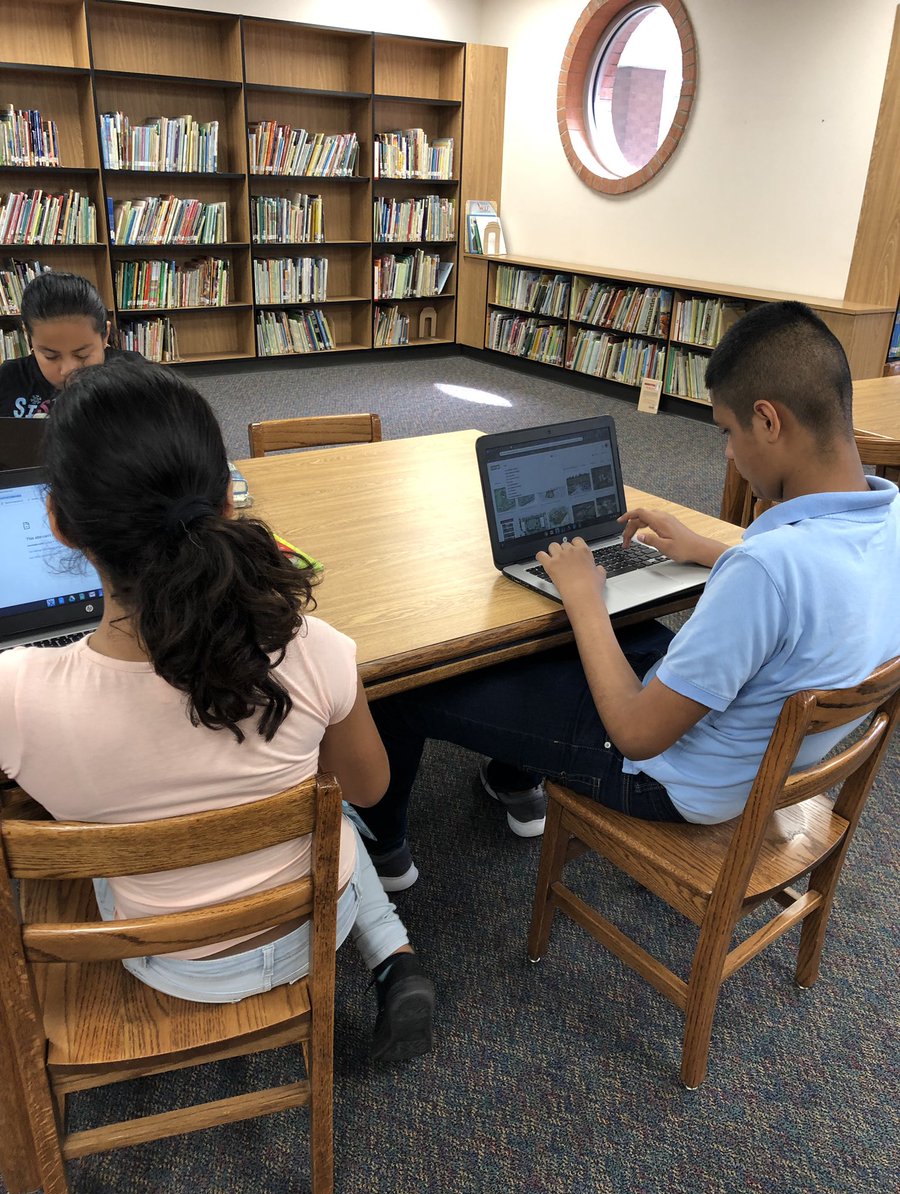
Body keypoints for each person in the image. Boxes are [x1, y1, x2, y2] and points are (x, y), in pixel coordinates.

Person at [361, 301, 900, 891]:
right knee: (598, 636)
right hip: (759, 755)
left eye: (728, 429)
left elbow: (637, 734)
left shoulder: (766, 570)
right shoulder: (887, 520)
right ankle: (515, 780)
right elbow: (815, 595)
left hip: (668, 777)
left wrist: (584, 595)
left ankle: (386, 855)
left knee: (401, 689)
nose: (727, 452)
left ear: (769, 421)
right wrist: (706, 550)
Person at [0, 359, 434, 1063]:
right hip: (312, 929)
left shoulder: (16, 692)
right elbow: (371, 789)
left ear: (57, 523)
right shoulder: (316, 648)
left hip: (167, 962)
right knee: (329, 803)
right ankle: (392, 953)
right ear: (227, 501)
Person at [0, 272, 144, 418]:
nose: (69, 370)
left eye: (82, 355)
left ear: (104, 335)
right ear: (29, 337)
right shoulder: (8, 379)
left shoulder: (134, 375)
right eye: (51, 356)